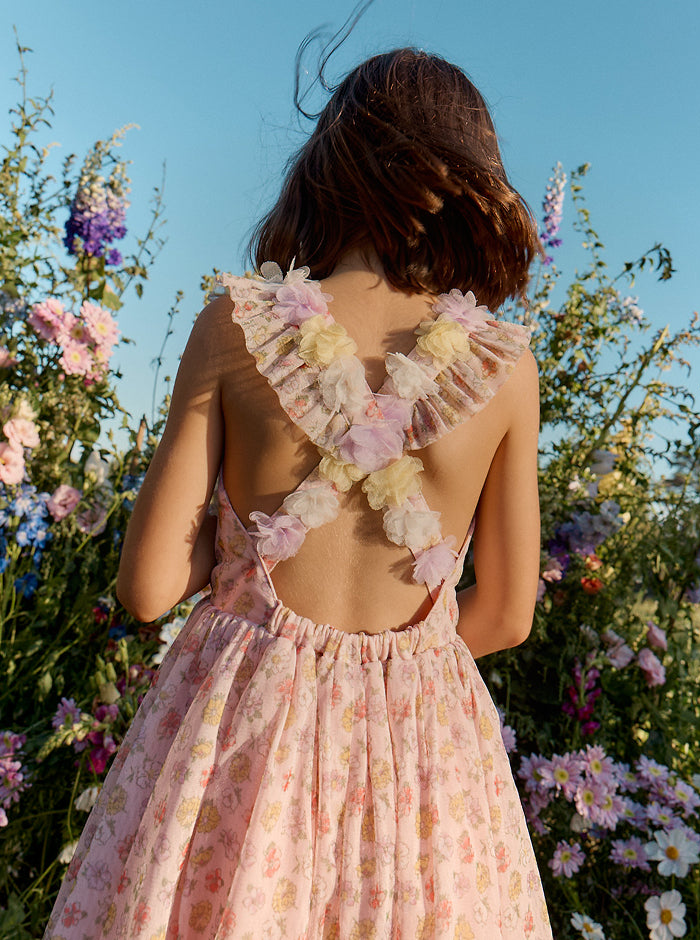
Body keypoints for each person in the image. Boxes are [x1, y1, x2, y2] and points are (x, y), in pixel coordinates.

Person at [45, 48, 552, 939]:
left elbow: (148, 587)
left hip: (244, 729)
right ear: (473, 173)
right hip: (421, 753)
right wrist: (397, 666)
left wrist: (228, 554)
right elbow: (508, 615)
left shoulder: (234, 324)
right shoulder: (506, 369)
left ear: (327, 165)